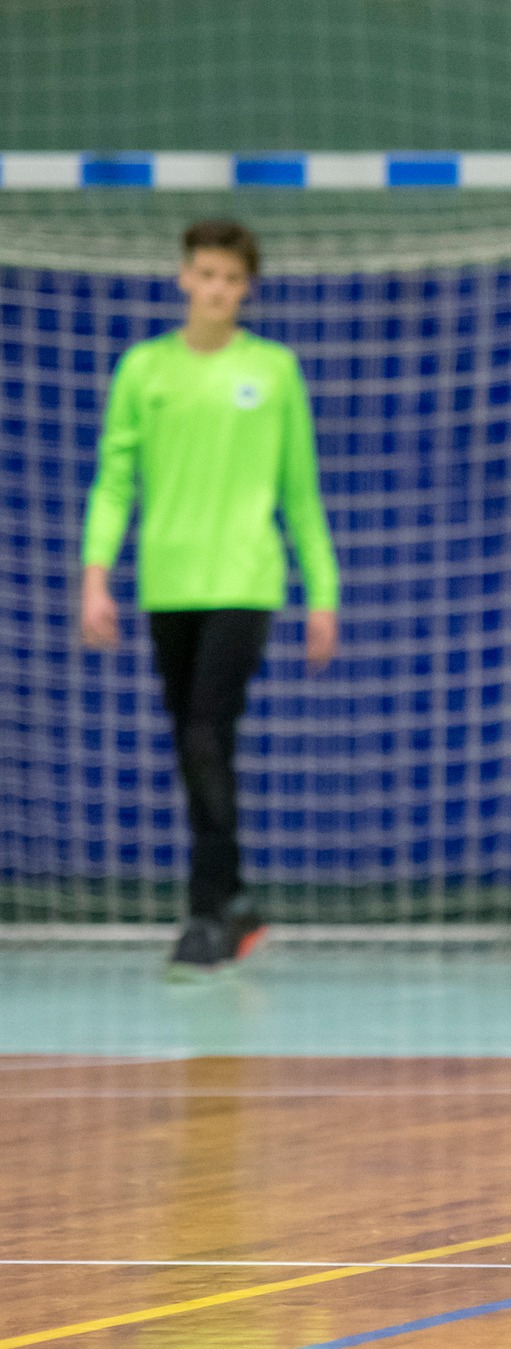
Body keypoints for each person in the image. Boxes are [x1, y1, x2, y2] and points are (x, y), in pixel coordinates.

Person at [78, 219, 339, 979]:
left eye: (231, 278)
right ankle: (235, 899)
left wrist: (322, 595)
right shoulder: (143, 370)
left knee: (204, 732)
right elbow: (114, 479)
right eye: (205, 274)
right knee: (197, 745)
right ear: (184, 277)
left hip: (245, 580)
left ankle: (205, 909)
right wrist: (96, 575)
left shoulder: (275, 370)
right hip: (168, 582)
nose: (217, 289)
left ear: (245, 287)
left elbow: (300, 493)